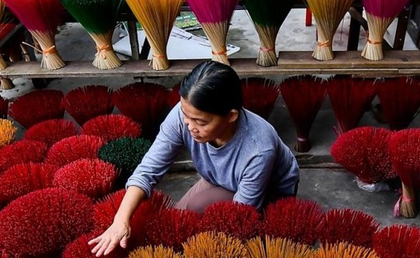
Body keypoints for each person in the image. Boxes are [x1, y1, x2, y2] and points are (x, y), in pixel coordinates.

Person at [89, 61, 300, 257]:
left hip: (270, 189)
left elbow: (240, 215)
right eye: (185, 115)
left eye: (200, 121)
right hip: (218, 176)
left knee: (216, 230)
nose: (190, 126)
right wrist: (120, 220)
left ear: (231, 116)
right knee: (177, 219)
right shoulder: (184, 117)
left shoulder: (258, 149)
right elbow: (147, 171)